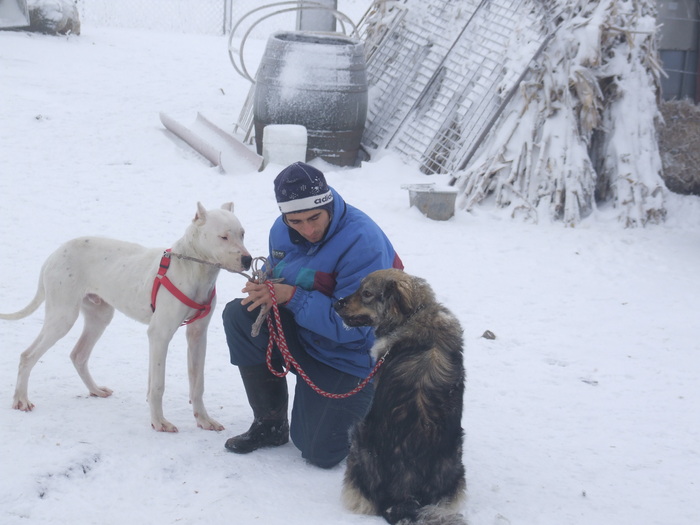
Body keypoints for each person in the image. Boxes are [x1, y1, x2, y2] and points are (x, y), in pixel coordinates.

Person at [222, 161, 403, 468]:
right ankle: (271, 424)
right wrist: (264, 283)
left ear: (328, 203)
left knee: (320, 452)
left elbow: (357, 328)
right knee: (240, 314)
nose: (307, 229)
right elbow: (279, 270)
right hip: (309, 335)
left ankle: (381, 404)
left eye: (314, 218)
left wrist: (291, 295)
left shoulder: (363, 241)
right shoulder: (281, 230)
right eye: (296, 221)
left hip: (355, 354)